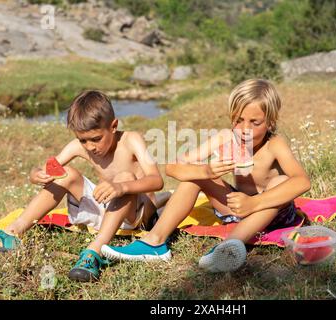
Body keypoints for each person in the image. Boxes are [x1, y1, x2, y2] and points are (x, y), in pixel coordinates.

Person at [101, 79, 311, 273]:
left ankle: (228, 248)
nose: (244, 129)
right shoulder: (226, 137)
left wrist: (255, 203)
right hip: (237, 207)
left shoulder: (275, 144)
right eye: (239, 120)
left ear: (271, 123)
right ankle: (155, 242)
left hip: (272, 212)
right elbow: (173, 167)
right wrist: (206, 172)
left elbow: (302, 181)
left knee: (280, 181)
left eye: (255, 123)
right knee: (194, 173)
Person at [0, 90, 169, 281]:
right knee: (65, 174)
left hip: (138, 215)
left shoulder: (132, 140)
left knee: (124, 176)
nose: (90, 147)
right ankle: (12, 234)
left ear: (113, 126)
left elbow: (156, 180)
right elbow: (46, 167)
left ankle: (93, 252)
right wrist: (36, 174)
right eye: (82, 140)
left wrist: (122, 187)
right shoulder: (79, 146)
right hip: (107, 210)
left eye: (96, 139)